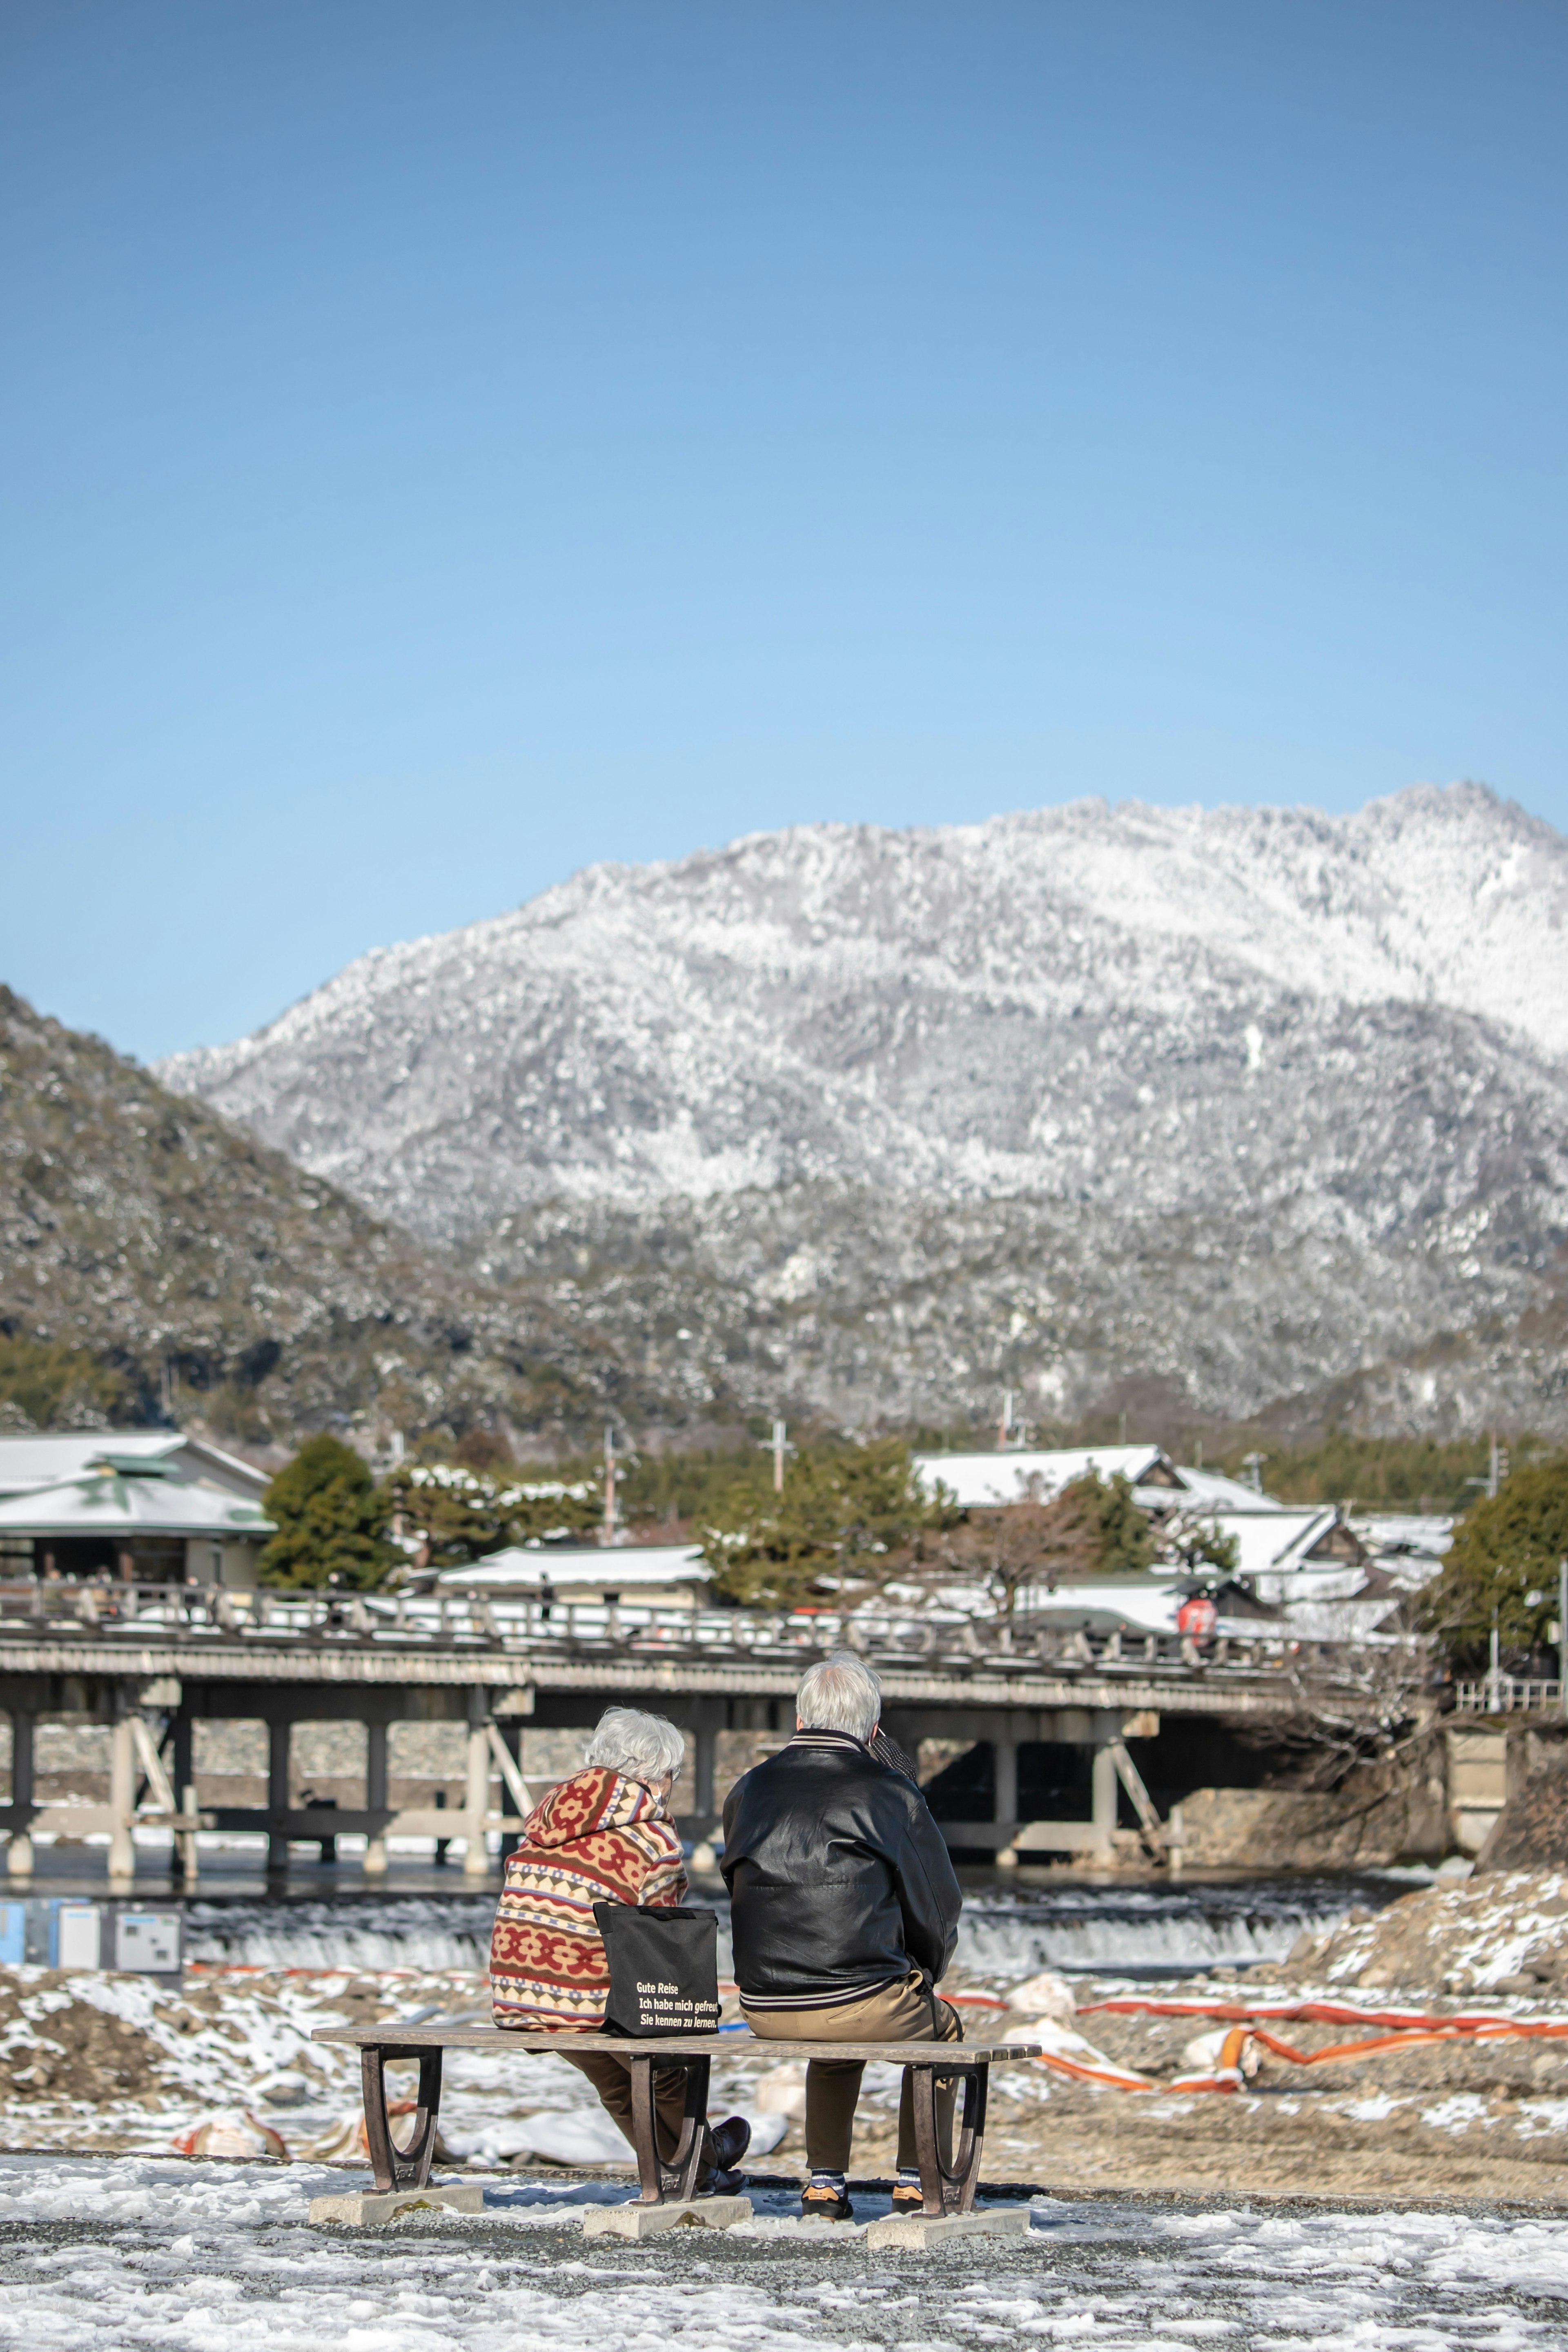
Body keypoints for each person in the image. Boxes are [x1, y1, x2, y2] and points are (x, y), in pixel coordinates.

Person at [721, 1651, 963, 2221]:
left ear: (801, 1720)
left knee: (832, 2045)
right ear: (874, 1730)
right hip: (859, 2001)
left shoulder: (748, 1789)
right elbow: (938, 1905)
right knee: (945, 2033)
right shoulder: (891, 1791)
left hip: (763, 2004)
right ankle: (916, 2180)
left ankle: (825, 2186)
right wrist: (925, 1974)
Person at [490, 1705, 750, 2192]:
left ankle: (690, 2173)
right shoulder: (651, 1834)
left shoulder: (548, 1814)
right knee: (673, 2064)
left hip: (520, 1996)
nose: (673, 1787)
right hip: (584, 1997)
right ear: (654, 1777)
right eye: (673, 1775)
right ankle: (704, 2160)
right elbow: (663, 1940)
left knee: (616, 2082)